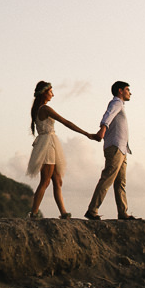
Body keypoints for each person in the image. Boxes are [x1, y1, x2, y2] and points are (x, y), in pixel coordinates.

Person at [27, 81, 99, 220]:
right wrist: (87, 134)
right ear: (44, 93)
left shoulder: (38, 108)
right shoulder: (45, 109)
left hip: (49, 144)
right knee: (45, 180)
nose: (53, 94)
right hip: (47, 145)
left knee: (57, 180)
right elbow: (66, 122)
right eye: (51, 91)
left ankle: (64, 213)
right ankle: (34, 213)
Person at [85, 81, 137, 220]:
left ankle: (122, 212)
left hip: (122, 148)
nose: (130, 92)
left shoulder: (120, 105)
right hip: (115, 147)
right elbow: (108, 115)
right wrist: (102, 130)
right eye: (127, 89)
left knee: (120, 182)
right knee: (108, 178)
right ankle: (92, 210)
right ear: (120, 91)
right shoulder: (116, 102)